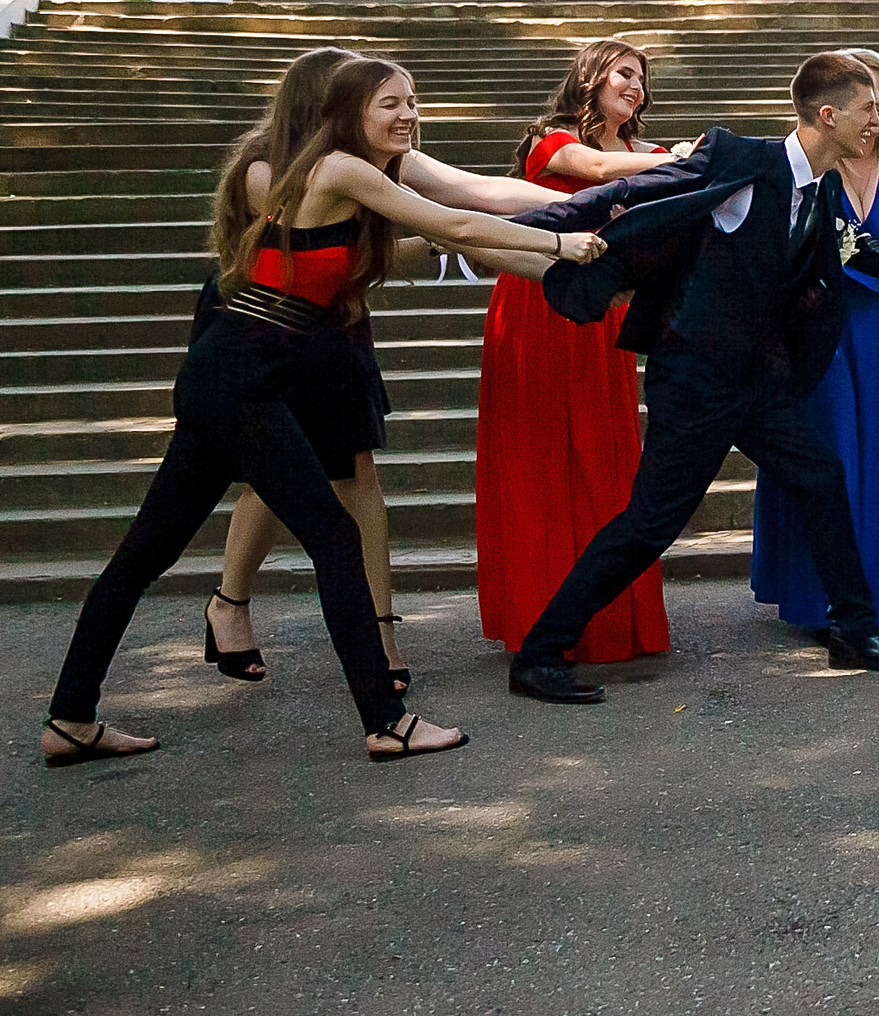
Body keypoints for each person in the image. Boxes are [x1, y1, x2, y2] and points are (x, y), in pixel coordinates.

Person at [42, 55, 602, 768]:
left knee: (145, 554)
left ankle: (69, 717)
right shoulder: (336, 169)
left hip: (229, 377)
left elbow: (443, 235)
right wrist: (560, 240)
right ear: (344, 110)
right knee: (334, 538)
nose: (407, 114)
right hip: (239, 382)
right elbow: (458, 222)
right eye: (389, 103)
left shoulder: (342, 178)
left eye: (411, 100)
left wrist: (573, 266)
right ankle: (386, 722)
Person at [502, 53, 879, 705]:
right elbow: (625, 195)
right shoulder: (738, 159)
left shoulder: (820, 189)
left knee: (821, 476)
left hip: (759, 383)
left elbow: (850, 246)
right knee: (651, 523)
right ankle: (539, 653)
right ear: (828, 115)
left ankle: (855, 631)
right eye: (867, 111)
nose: (878, 122)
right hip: (695, 379)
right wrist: (512, 234)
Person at [206, 49, 568, 692]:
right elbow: (348, 254)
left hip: (337, 327)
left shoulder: (376, 155)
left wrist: (590, 203)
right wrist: (452, 240)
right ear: (327, 105)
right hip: (267, 327)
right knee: (276, 474)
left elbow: (478, 194)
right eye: (370, 97)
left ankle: (374, 631)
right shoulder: (267, 172)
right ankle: (231, 603)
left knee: (353, 472)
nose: (399, 114)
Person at [477, 40, 681, 666]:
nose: (636, 87)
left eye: (642, 78)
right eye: (624, 74)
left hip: (602, 310)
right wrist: (674, 158)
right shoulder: (551, 140)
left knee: (602, 452)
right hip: (537, 300)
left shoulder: (644, 153)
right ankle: (538, 614)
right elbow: (594, 169)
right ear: (591, 78)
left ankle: (609, 619)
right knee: (539, 454)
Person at [752, 48, 879, 635]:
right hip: (818, 316)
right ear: (837, 108)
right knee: (829, 441)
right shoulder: (816, 155)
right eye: (870, 93)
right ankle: (818, 595)